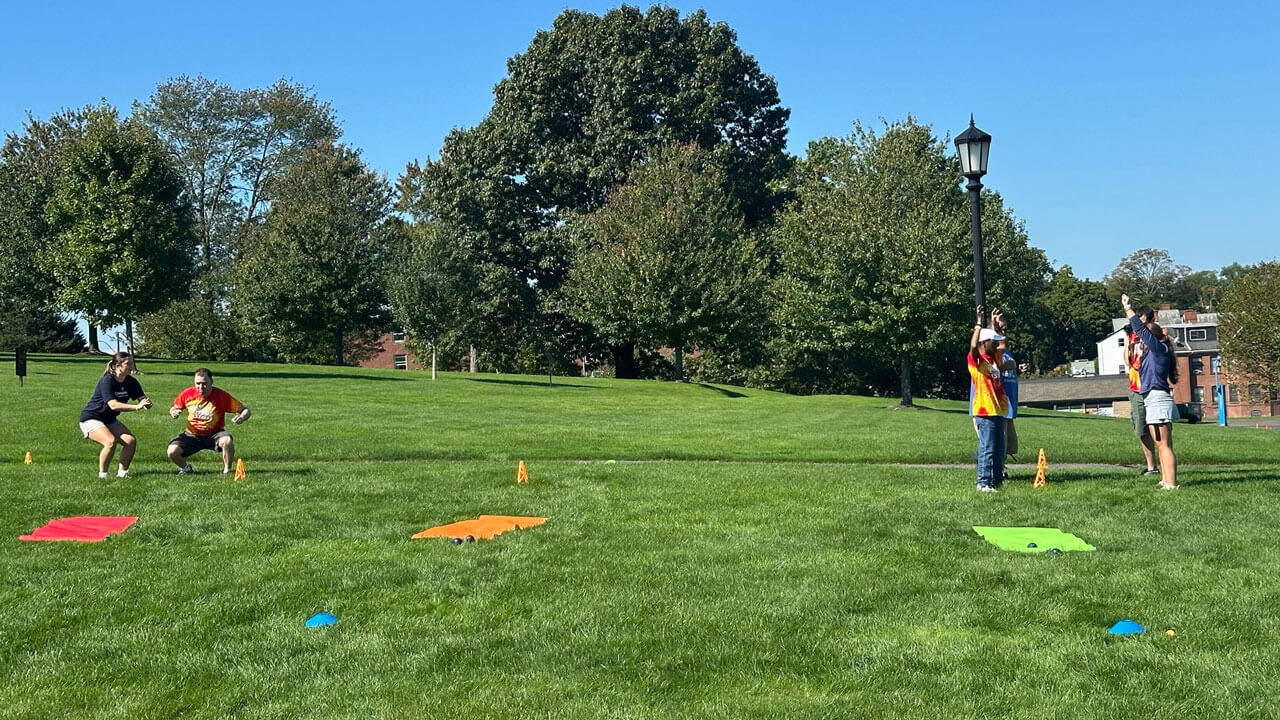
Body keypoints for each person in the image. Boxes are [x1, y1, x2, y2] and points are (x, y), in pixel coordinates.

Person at [1122, 294, 1179, 489]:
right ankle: (1165, 479)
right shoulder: (1158, 351)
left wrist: (1128, 309)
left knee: (1163, 445)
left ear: (1151, 339)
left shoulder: (1157, 348)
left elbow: (1139, 329)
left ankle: (1171, 484)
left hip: (1156, 399)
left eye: (1145, 338)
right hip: (1155, 398)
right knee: (1161, 444)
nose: (1141, 340)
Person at [78, 352, 152, 479]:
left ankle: (122, 474)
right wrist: (136, 407)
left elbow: (142, 398)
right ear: (118, 365)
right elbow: (113, 405)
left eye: (132, 363)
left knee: (130, 441)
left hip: (109, 419)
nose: (132, 366)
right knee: (110, 441)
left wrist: (146, 403)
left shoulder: (131, 382)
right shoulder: (107, 381)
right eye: (128, 364)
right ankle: (103, 476)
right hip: (91, 418)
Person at [167, 368, 251, 474]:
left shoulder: (221, 396)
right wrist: (173, 412)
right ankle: (186, 468)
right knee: (172, 451)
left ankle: (227, 470)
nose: (201, 387)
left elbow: (245, 410)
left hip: (215, 434)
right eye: (198, 383)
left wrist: (242, 417)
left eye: (204, 383)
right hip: (191, 434)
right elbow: (174, 408)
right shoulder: (187, 394)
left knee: (227, 441)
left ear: (211, 381)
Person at [968, 305, 1009, 492]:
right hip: (985, 410)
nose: (995, 344)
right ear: (985, 342)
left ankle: (996, 481)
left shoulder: (994, 359)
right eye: (992, 341)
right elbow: (973, 346)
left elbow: (1003, 344)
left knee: (999, 449)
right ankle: (983, 483)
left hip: (998, 409)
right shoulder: (978, 360)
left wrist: (996, 327)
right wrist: (979, 323)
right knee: (988, 448)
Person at [1124, 306, 1159, 476]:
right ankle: (1151, 466)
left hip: (1152, 387)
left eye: (1142, 319)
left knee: (1158, 428)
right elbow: (1127, 360)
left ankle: (1165, 464)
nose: (1138, 322)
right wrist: (1127, 339)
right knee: (1141, 428)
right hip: (1135, 387)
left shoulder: (1153, 335)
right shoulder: (1132, 336)